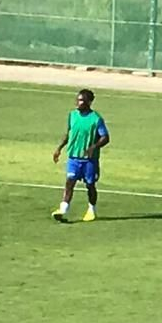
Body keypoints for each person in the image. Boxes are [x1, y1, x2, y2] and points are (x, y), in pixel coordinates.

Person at [52, 88, 110, 223]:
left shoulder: (96, 119)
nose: (78, 103)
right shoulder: (72, 115)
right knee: (69, 182)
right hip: (73, 157)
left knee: (90, 185)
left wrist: (94, 147)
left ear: (89, 102)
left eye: (82, 100)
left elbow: (105, 137)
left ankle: (92, 209)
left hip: (89, 160)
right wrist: (59, 148)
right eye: (77, 100)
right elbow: (69, 133)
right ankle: (63, 209)